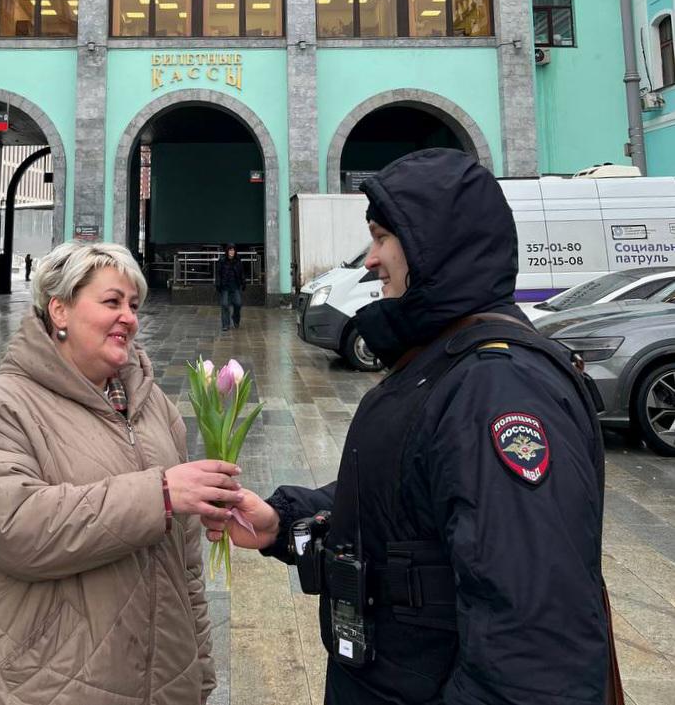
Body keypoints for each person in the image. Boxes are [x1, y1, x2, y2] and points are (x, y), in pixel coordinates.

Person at [204, 149, 610, 705]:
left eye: (381, 238)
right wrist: (282, 522)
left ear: (432, 245)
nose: (370, 259)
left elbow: (533, 652)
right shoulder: (441, 360)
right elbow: (404, 503)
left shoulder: (500, 388)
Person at [0, 239, 239, 705]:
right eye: (112, 302)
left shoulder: (154, 407)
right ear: (59, 310)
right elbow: (15, 527)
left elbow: (186, 564)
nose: (128, 317)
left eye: (133, 305)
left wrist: (197, 667)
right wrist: (158, 494)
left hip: (159, 683)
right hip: (36, 686)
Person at [215, 243, 245, 331]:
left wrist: (243, 282)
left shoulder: (238, 261)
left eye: (233, 250)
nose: (231, 252)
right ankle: (225, 324)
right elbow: (218, 273)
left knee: (238, 304)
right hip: (225, 286)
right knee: (224, 304)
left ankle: (235, 318)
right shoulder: (222, 260)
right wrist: (218, 283)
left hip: (235, 286)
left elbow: (242, 273)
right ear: (227, 251)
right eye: (230, 250)